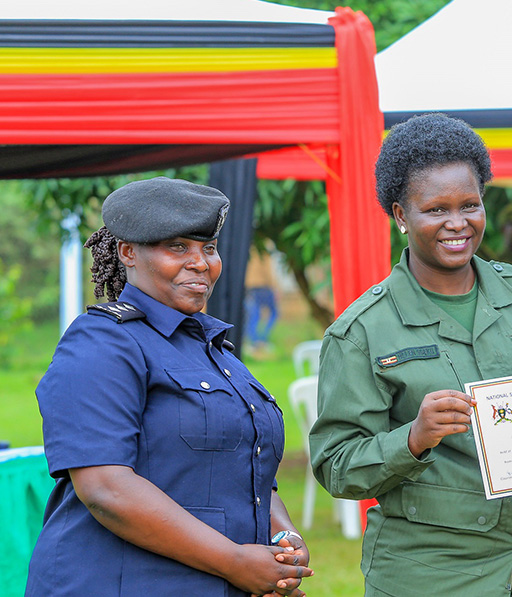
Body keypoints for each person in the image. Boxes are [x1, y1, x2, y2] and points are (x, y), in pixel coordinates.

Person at [312, 113, 512, 596]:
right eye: (436, 209)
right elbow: (336, 465)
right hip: (438, 576)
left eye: (469, 205)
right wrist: (413, 438)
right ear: (400, 215)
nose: (457, 224)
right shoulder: (362, 332)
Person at [27, 177, 312, 597]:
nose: (201, 262)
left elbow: (245, 468)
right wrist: (235, 562)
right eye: (178, 247)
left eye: (209, 248)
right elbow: (106, 487)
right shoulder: (102, 342)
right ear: (128, 253)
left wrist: (283, 538)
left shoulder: (216, 351)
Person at [245, 242, 280, 354]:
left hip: (250, 287)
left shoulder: (247, 248)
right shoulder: (263, 249)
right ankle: (262, 340)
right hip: (263, 286)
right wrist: (274, 287)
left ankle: (255, 342)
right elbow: (268, 270)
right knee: (274, 313)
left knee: (253, 315)